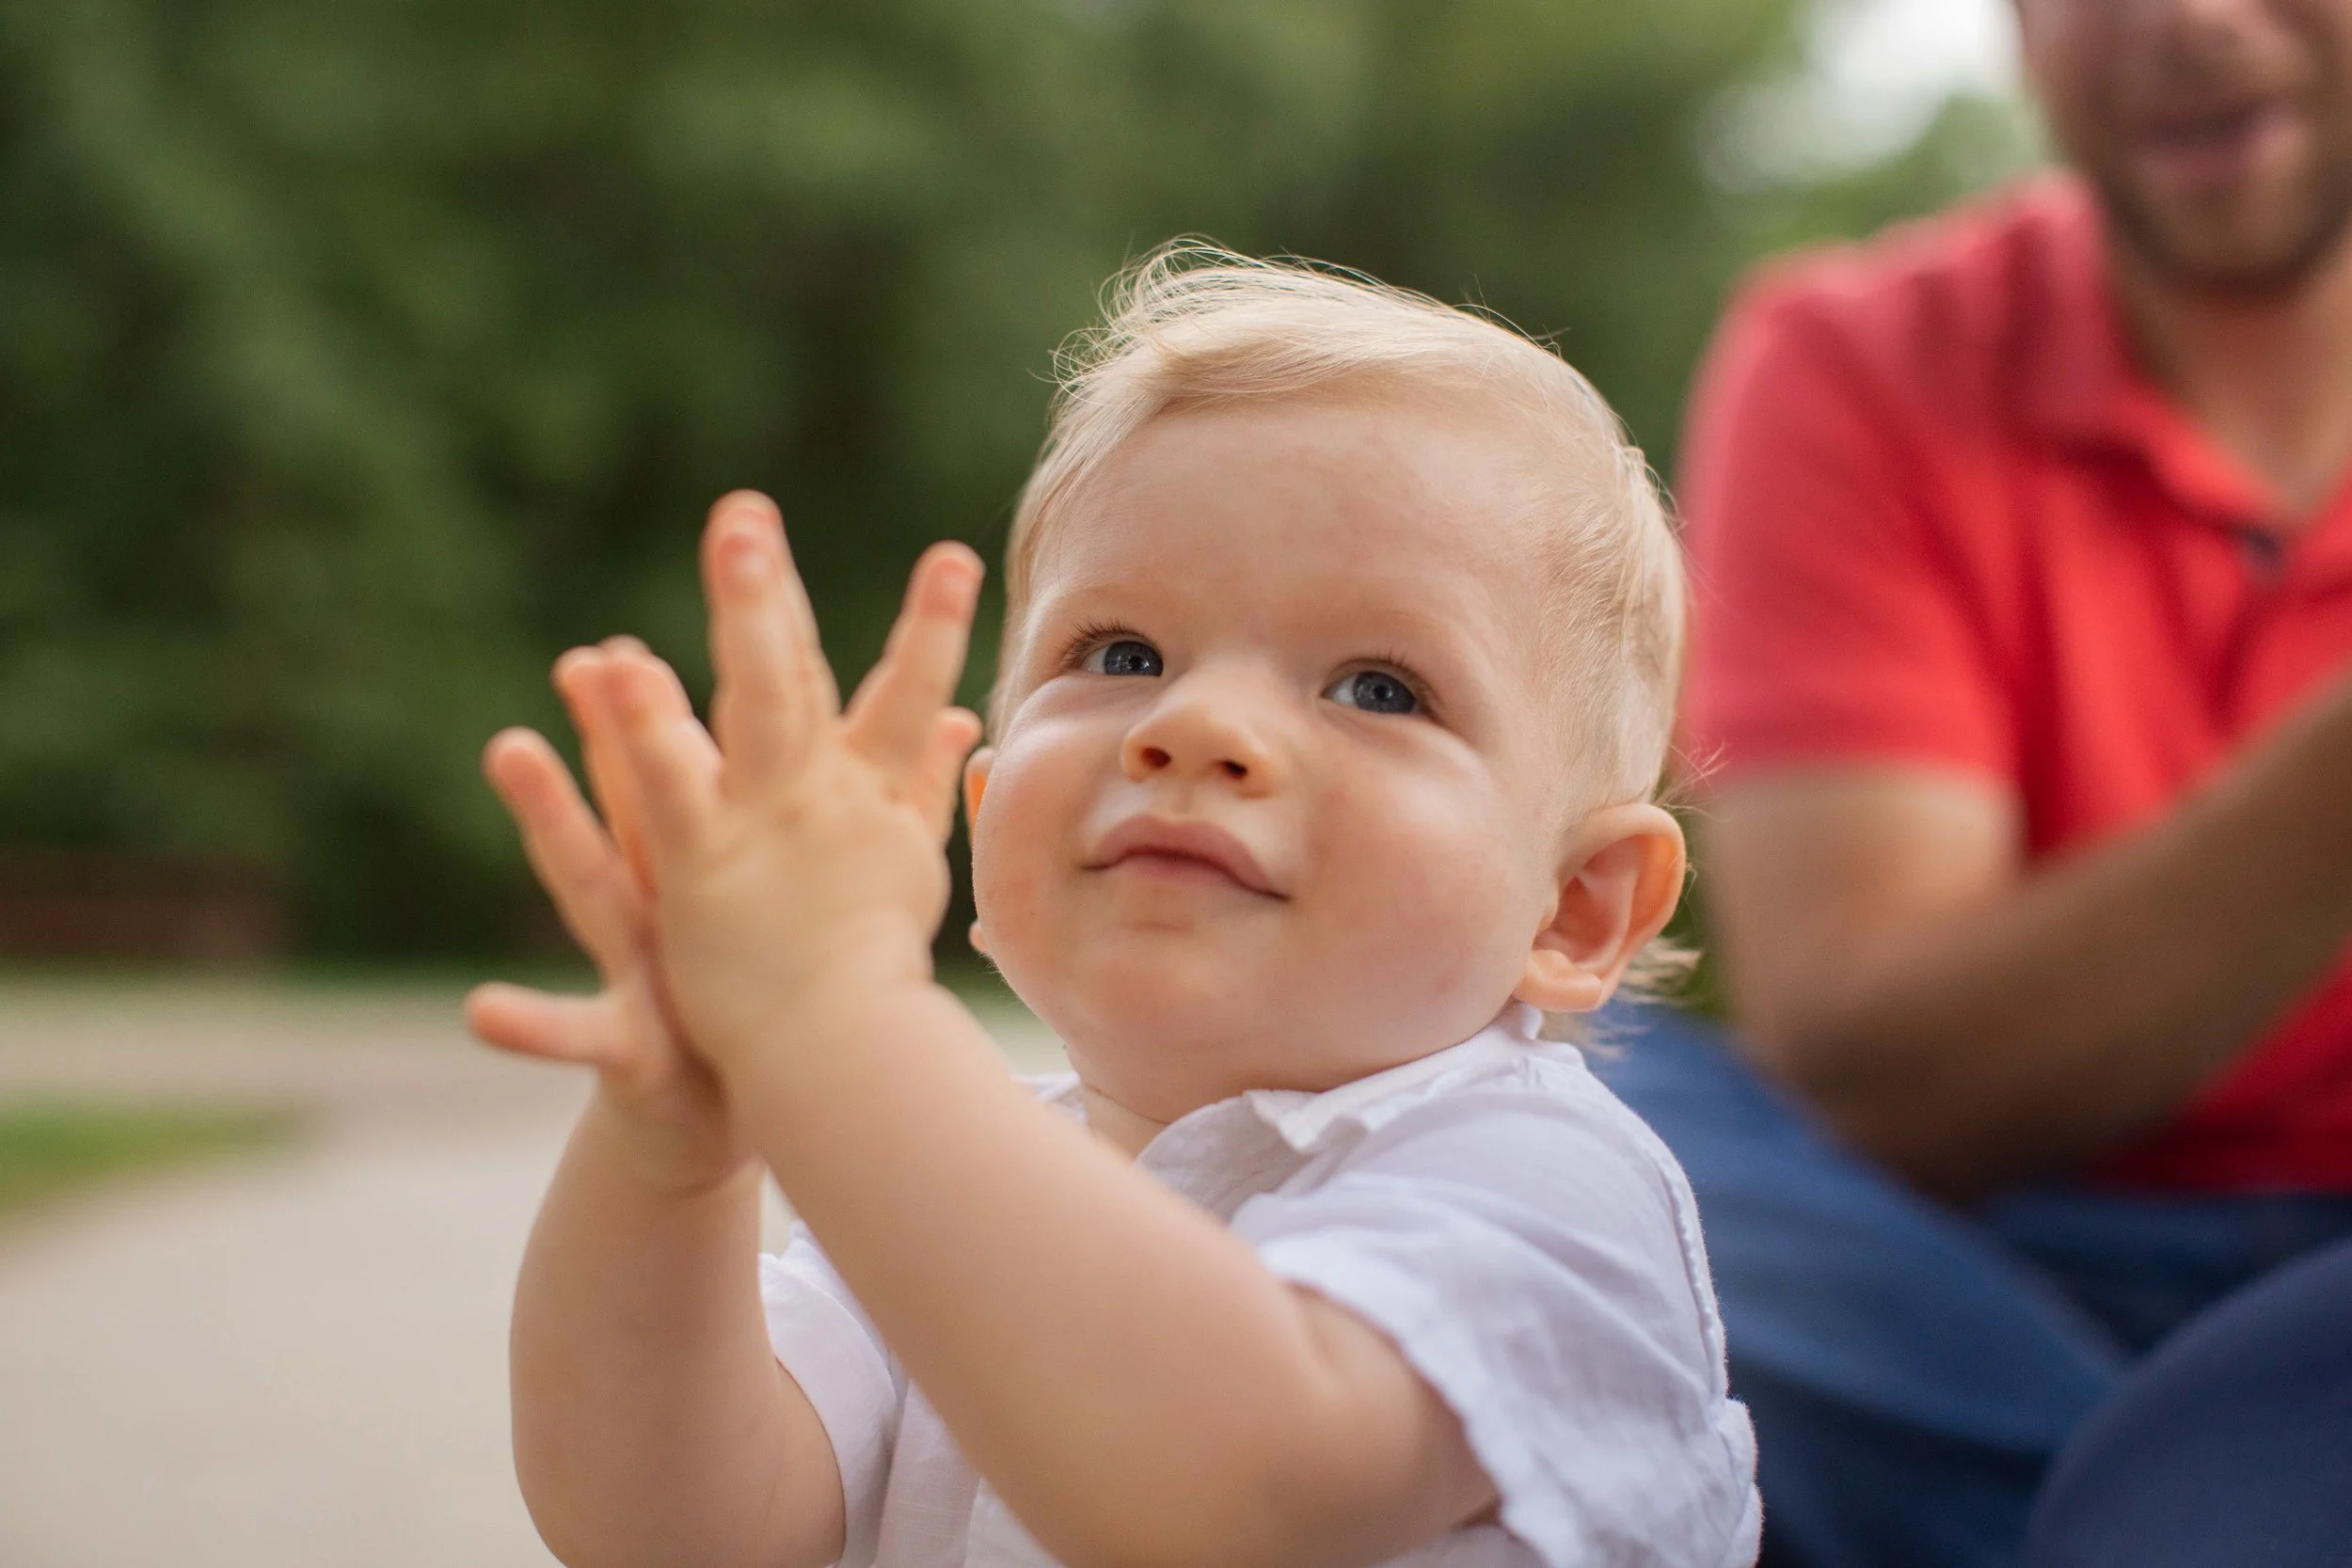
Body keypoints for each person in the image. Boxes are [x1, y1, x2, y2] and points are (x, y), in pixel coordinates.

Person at [465, 250, 1760, 1568]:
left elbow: (1236, 1493)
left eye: (1377, 686)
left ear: (1577, 909)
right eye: (1123, 654)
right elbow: (676, 1529)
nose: (1195, 724)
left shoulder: (1545, 1188)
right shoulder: (959, 1174)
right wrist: (668, 1156)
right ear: (979, 822)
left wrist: (833, 1011)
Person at [1611, 2, 2352, 1565]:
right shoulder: (1851, 357)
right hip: (1954, 1270)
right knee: (1573, 1109)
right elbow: (1884, 1073)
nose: (2193, 20)